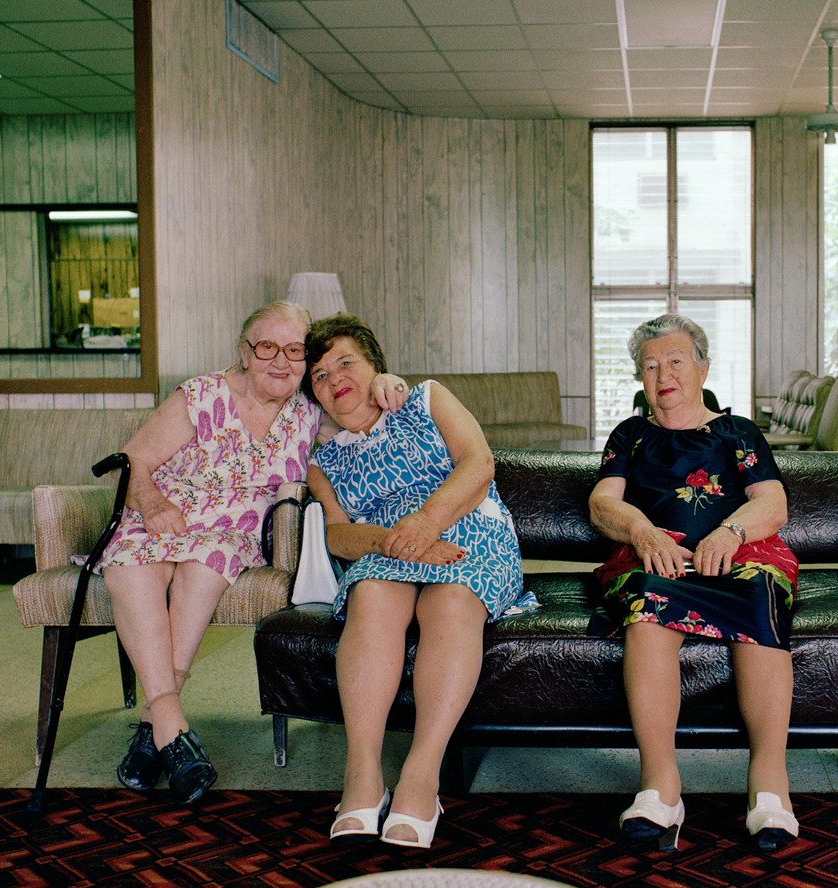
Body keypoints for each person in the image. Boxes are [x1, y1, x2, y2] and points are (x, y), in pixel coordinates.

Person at [101, 301, 406, 804]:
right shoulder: (200, 396)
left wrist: (383, 381)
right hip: (163, 514)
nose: (280, 361)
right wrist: (152, 503)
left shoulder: (308, 412)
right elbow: (135, 459)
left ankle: (154, 728)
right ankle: (169, 730)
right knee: (130, 569)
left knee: (205, 566)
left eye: (294, 350)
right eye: (267, 347)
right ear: (244, 352)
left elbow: (362, 418)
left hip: (227, 532)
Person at [304, 314, 527, 849]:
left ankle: (421, 776)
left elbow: (478, 464)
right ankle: (363, 774)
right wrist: (394, 540)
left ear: (376, 367)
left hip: (467, 531)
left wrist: (428, 522)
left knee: (451, 603)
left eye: (345, 362)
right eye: (317, 375)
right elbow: (338, 536)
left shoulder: (426, 399)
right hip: (388, 547)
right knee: (372, 595)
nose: (333, 378)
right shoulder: (323, 461)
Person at [589, 314, 800, 851]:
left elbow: (771, 503)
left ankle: (769, 787)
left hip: (738, 554)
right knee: (647, 606)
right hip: (657, 556)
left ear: (703, 367)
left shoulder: (738, 432)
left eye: (676, 361)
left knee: (759, 594)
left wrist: (730, 533)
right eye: (651, 365)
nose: (664, 374)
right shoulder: (631, 435)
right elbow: (602, 502)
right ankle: (661, 787)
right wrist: (641, 531)